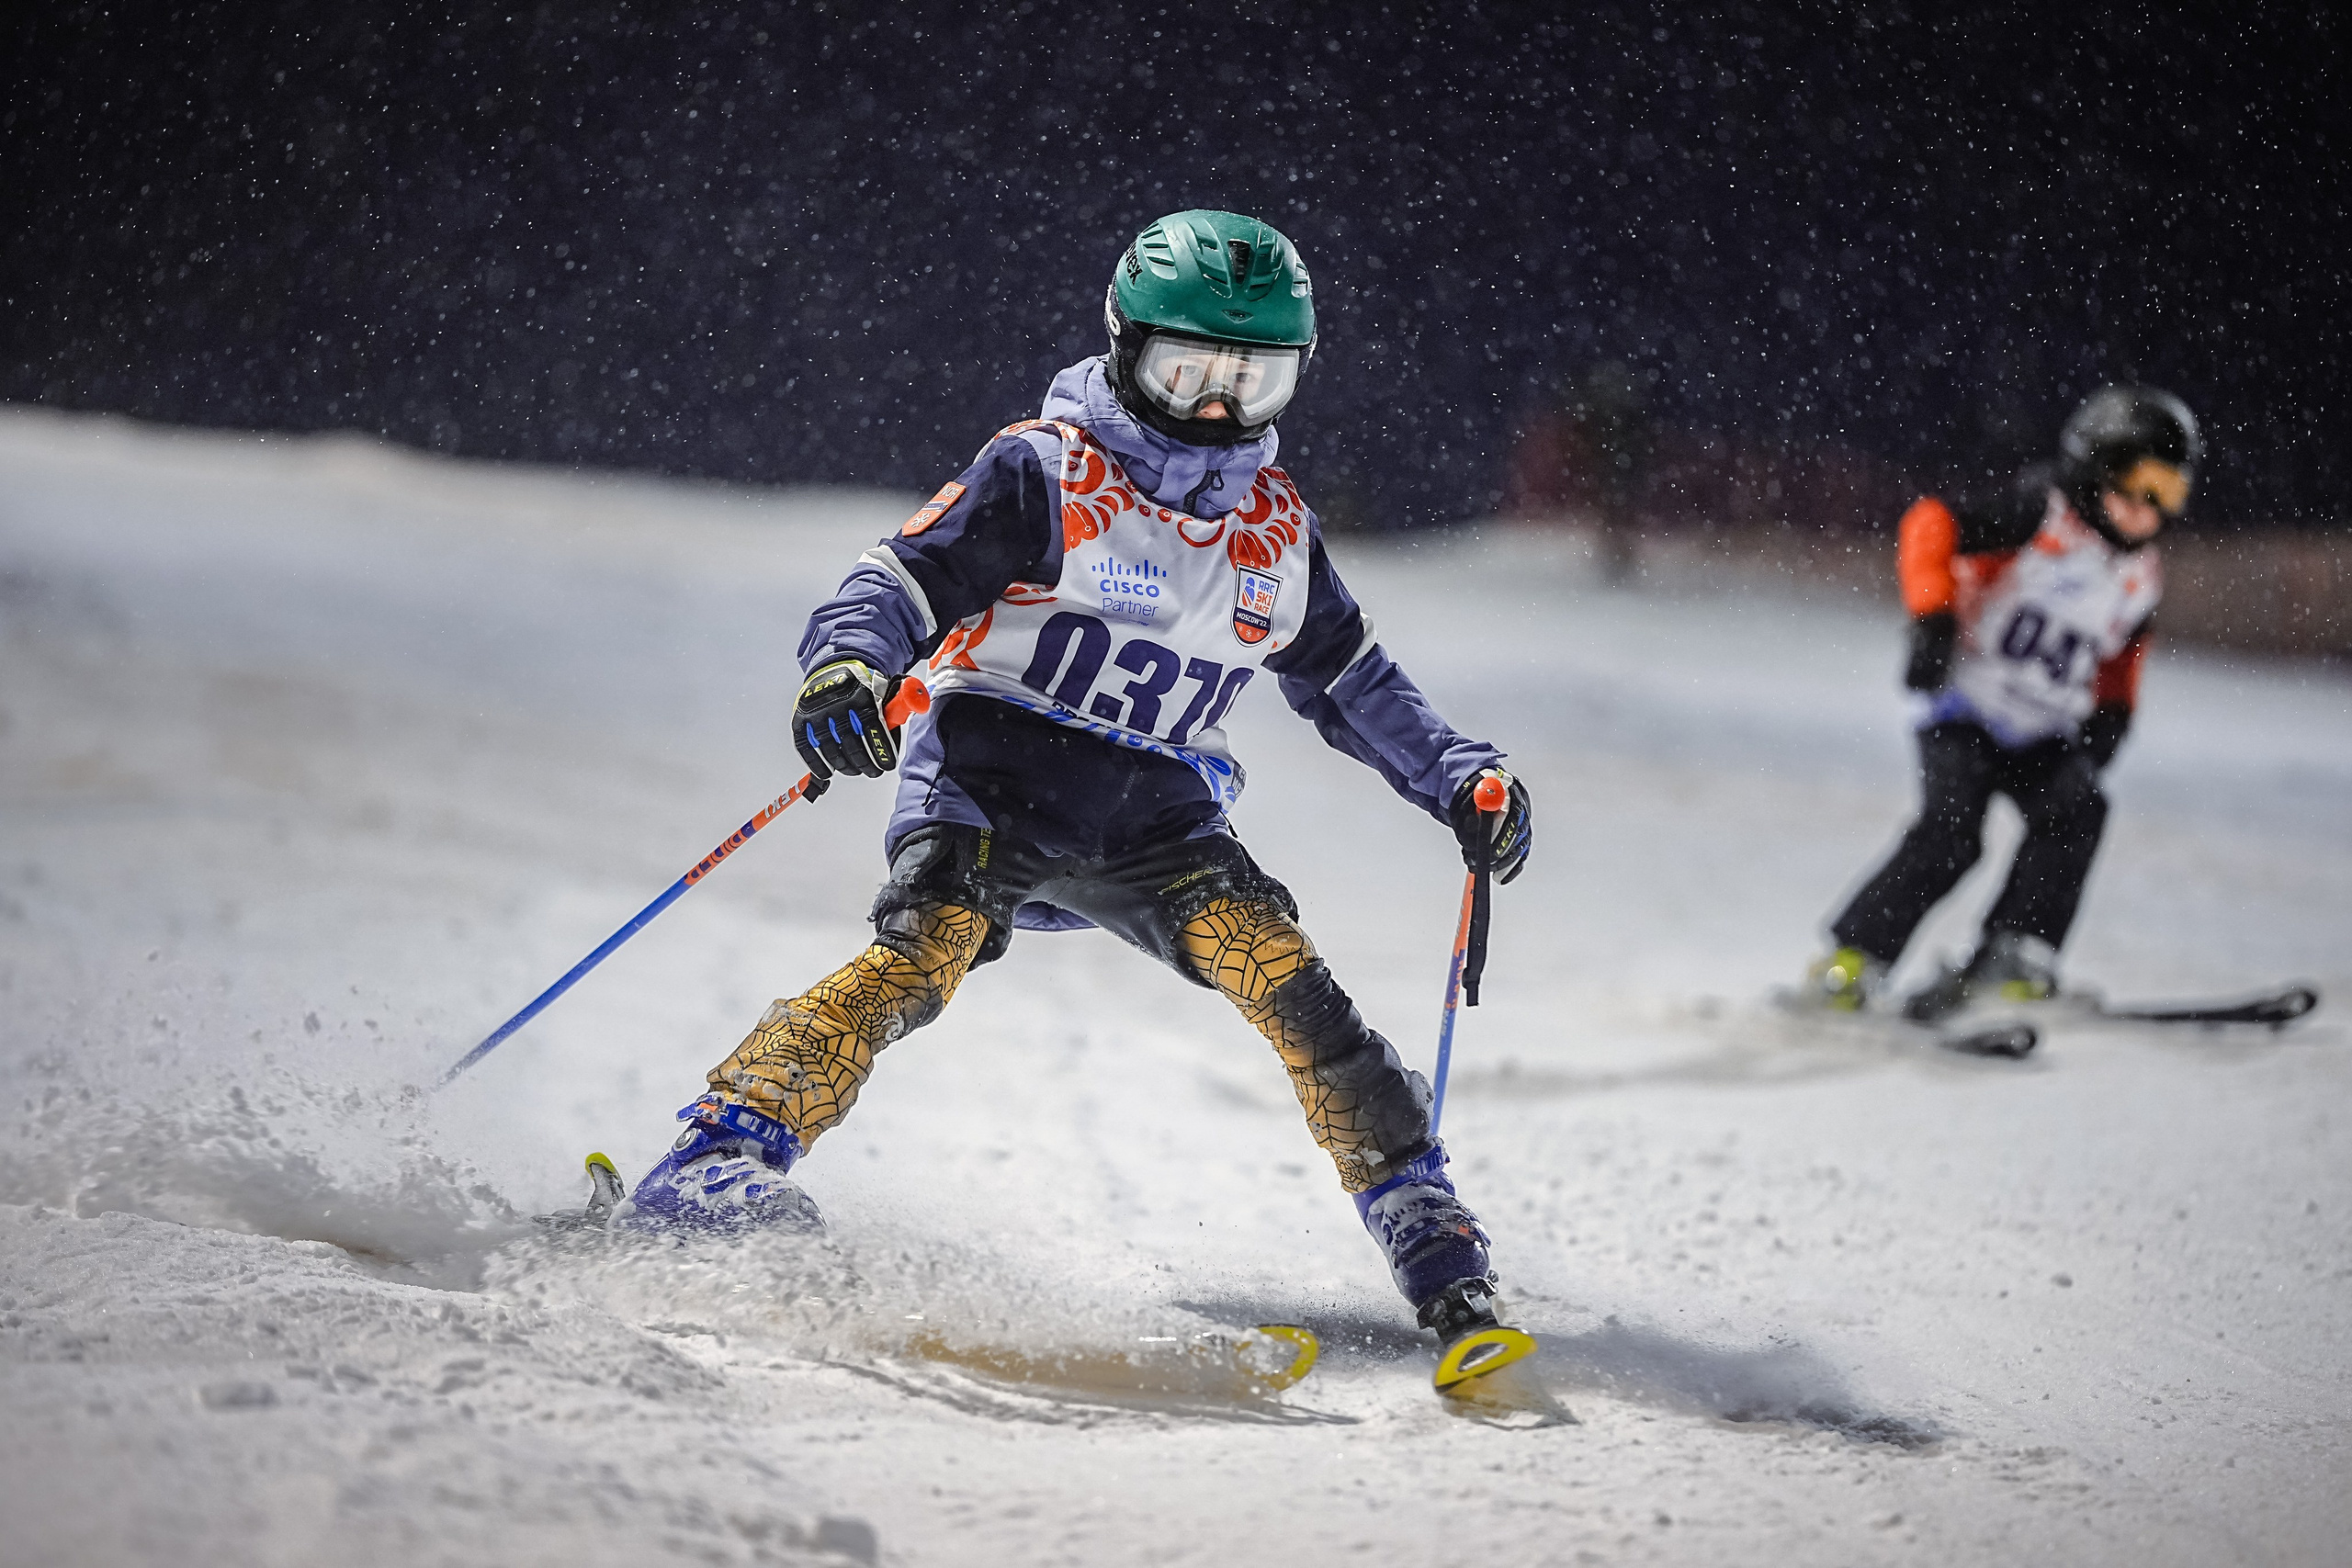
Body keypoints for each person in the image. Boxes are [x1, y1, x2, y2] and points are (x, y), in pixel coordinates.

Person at [617, 210, 1536, 1352]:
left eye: (1251, 384)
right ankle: (712, 1162)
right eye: (1188, 371)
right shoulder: (1047, 473)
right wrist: (849, 664)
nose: (1214, 409)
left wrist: (1457, 776)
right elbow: (899, 580)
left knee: (1287, 979)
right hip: (995, 774)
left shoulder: (1274, 532)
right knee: (924, 953)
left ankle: (1425, 1226)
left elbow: (1348, 680)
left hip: (1160, 813)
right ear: (1123, 345)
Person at [1805, 386, 2199, 1019]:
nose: (2151, 509)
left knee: (2077, 811)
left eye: (2170, 492)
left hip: (2042, 729)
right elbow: (1930, 523)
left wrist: (2114, 711)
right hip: (1967, 713)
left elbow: (2127, 646)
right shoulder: (2039, 515)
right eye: (2141, 483)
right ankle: (1853, 960)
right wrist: (1931, 617)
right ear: (2094, 464)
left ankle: (2014, 951)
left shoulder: (2140, 573)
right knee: (1951, 837)